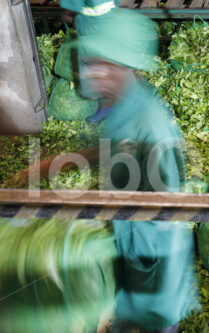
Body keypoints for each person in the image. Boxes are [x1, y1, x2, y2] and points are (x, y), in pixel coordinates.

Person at [74, 9, 199, 333]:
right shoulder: (119, 107)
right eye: (95, 62)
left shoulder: (153, 126)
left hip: (152, 257)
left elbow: (167, 207)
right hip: (127, 245)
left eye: (108, 65)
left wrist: (95, 219)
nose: (96, 73)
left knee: (154, 320)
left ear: (131, 68)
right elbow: (116, 150)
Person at [59, 0, 117, 100]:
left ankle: (97, 96)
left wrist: (68, 15)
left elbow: (71, 10)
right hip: (109, 23)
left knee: (92, 64)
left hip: (90, 27)